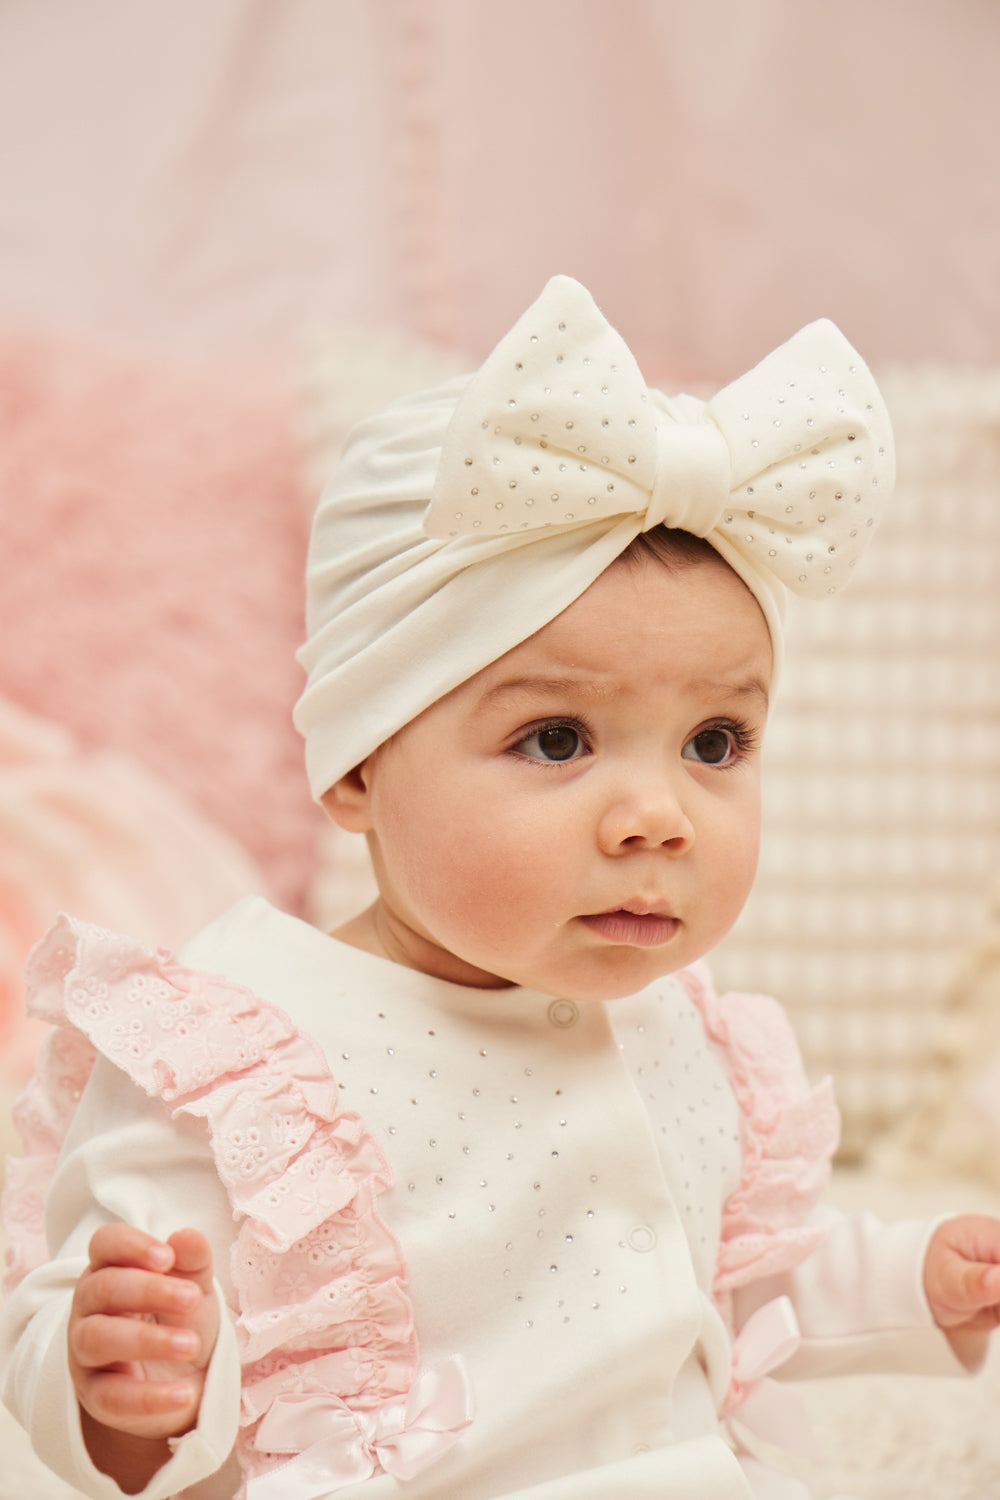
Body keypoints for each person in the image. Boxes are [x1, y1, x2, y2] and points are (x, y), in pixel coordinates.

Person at [3, 275, 1000, 1500]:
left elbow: (723, 1273)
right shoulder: (244, 1055)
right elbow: (97, 1331)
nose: (657, 819)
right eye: (557, 741)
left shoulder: (679, 1023)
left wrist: (918, 1280)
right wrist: (126, 1375)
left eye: (714, 745)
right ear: (360, 766)